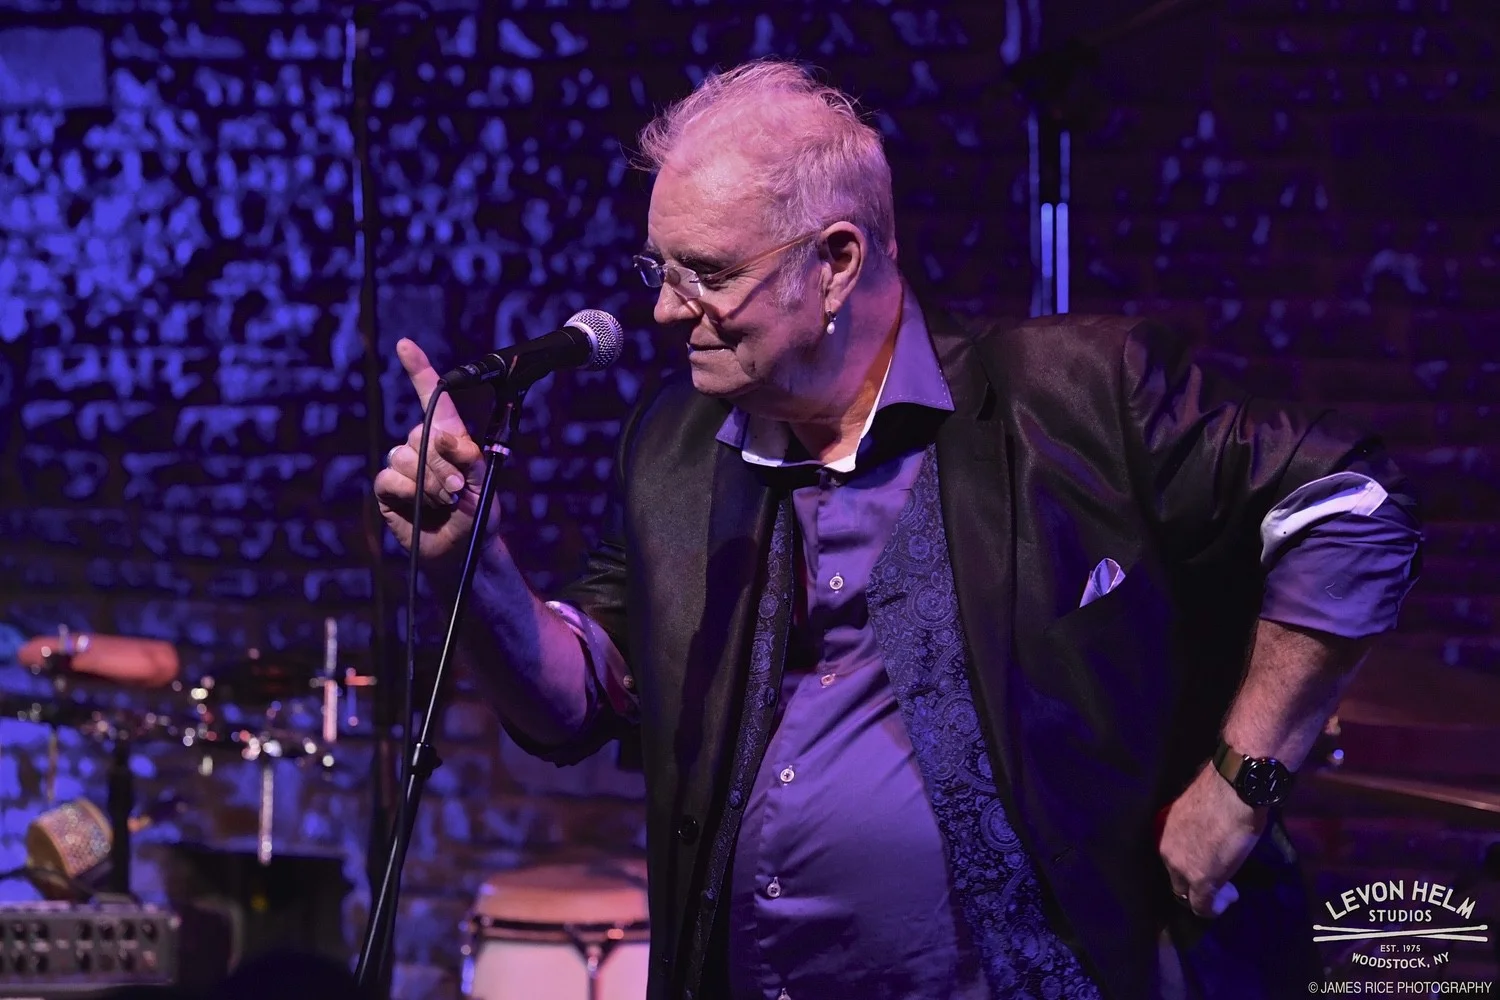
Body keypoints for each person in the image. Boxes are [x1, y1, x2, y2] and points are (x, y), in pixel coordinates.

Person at [375, 60, 1421, 1000]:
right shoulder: (676, 448)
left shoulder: (1072, 398)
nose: (665, 311)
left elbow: (1353, 504)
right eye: (662, 271)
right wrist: (475, 562)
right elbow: (578, 700)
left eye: (709, 274)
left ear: (836, 261)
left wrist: (1242, 784)